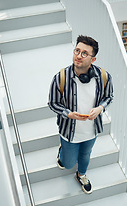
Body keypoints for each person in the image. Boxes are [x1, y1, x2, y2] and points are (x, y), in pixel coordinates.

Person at [48, 35, 114, 194]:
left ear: (93, 59)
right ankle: (63, 151)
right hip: (69, 131)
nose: (78, 55)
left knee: (86, 155)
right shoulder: (60, 78)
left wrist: (100, 108)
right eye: (77, 50)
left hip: (91, 131)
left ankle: (81, 175)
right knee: (67, 163)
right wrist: (68, 114)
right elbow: (53, 103)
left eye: (85, 53)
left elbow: (109, 97)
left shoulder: (104, 77)